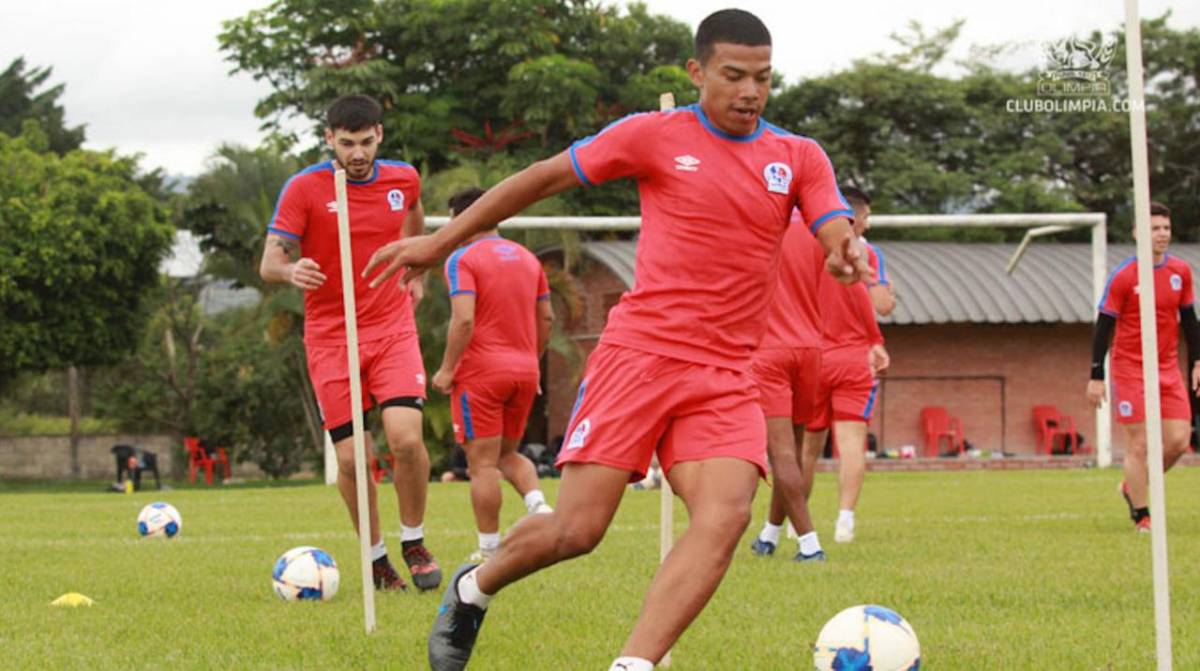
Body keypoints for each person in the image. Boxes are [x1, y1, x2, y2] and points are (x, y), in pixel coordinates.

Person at [364, 10, 868, 670]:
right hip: (641, 357)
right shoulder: (653, 135)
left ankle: (634, 664)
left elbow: (832, 220)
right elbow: (543, 176)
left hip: (726, 372)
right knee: (578, 529)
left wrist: (842, 249)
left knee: (723, 516)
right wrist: (439, 241)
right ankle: (474, 586)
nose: (750, 92)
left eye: (763, 79)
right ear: (697, 72)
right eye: (734, 76)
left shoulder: (797, 155)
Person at [258, 94, 441, 592]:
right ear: (329, 141)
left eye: (365, 142)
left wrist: (417, 266)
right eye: (346, 144)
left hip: (391, 327)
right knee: (352, 460)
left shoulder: (403, 178)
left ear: (379, 135)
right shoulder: (305, 188)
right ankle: (378, 560)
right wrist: (290, 268)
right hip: (332, 338)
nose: (357, 154)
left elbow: (416, 218)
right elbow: (269, 261)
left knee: (406, 439)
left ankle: (414, 541)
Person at [433, 186, 555, 562]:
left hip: (481, 374)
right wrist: (530, 362)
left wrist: (447, 369)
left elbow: (464, 317)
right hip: (523, 370)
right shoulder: (527, 258)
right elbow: (547, 317)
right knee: (507, 453)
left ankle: (488, 550)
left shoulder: (462, 259)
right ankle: (542, 510)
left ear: (463, 220)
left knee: (482, 464)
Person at [1087, 201, 1200, 532]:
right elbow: (1103, 326)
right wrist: (1097, 374)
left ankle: (1130, 484)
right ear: (1138, 233)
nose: (1162, 233)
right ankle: (1142, 515)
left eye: (1166, 227)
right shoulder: (1124, 276)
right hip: (1130, 369)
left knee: (1179, 440)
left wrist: (1196, 361)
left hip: (1167, 368)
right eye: (1155, 228)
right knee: (1138, 444)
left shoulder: (1180, 271)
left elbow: (1190, 322)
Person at [800, 187, 890, 544]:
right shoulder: (867, 252)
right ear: (854, 217)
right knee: (851, 443)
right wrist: (887, 292)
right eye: (866, 215)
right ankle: (845, 521)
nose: (868, 223)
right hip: (854, 358)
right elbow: (882, 304)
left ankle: (796, 523)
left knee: (806, 447)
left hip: (811, 357)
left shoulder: (804, 246)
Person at [748, 212, 828, 562]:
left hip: (768, 349)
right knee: (793, 453)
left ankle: (810, 544)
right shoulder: (815, 227)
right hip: (809, 348)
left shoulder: (749, 221)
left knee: (781, 454)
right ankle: (769, 534)